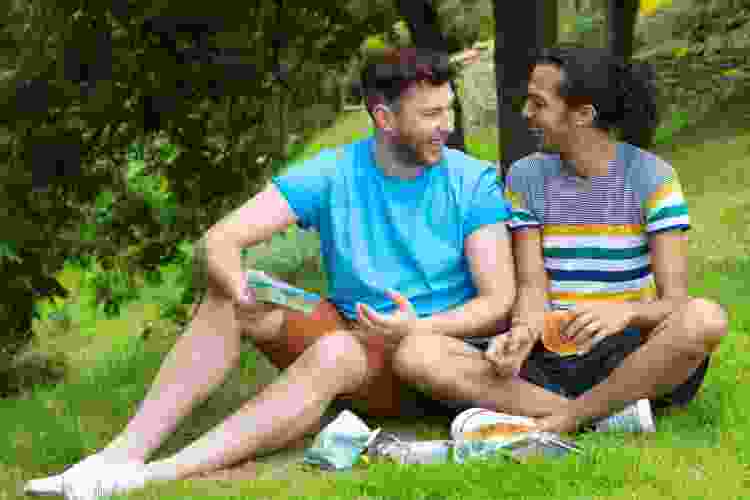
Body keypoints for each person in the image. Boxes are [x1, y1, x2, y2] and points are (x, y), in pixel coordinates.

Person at [25, 47, 518, 499]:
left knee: (336, 350)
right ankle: (117, 456)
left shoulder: (470, 182)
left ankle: (155, 475)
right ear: (384, 118)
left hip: (430, 358)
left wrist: (419, 327)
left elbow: (497, 301)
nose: (447, 125)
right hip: (356, 343)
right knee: (229, 297)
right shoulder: (333, 172)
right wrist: (242, 290)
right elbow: (220, 239)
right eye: (431, 114)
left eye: (448, 109)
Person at [392, 46, 729, 434]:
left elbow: (674, 302)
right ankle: (601, 416)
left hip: (629, 355)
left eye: (539, 104)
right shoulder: (525, 177)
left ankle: (565, 417)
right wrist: (521, 334)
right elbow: (533, 286)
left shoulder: (654, 178)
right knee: (416, 352)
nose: (526, 114)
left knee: (705, 318)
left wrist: (627, 312)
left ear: (583, 115)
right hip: (549, 355)